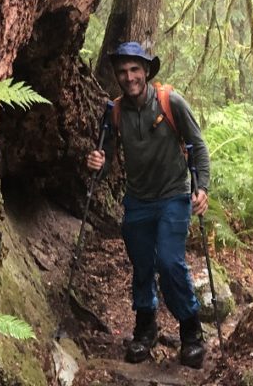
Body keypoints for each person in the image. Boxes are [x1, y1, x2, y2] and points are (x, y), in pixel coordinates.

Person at [86, 41, 211, 369]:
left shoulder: (171, 102)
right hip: (138, 201)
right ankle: (145, 327)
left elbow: (197, 146)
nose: (129, 77)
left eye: (134, 70)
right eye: (123, 72)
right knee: (142, 266)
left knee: (170, 263)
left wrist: (202, 188)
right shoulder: (113, 112)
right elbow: (108, 158)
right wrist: (98, 164)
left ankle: (191, 332)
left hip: (173, 196)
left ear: (146, 72)